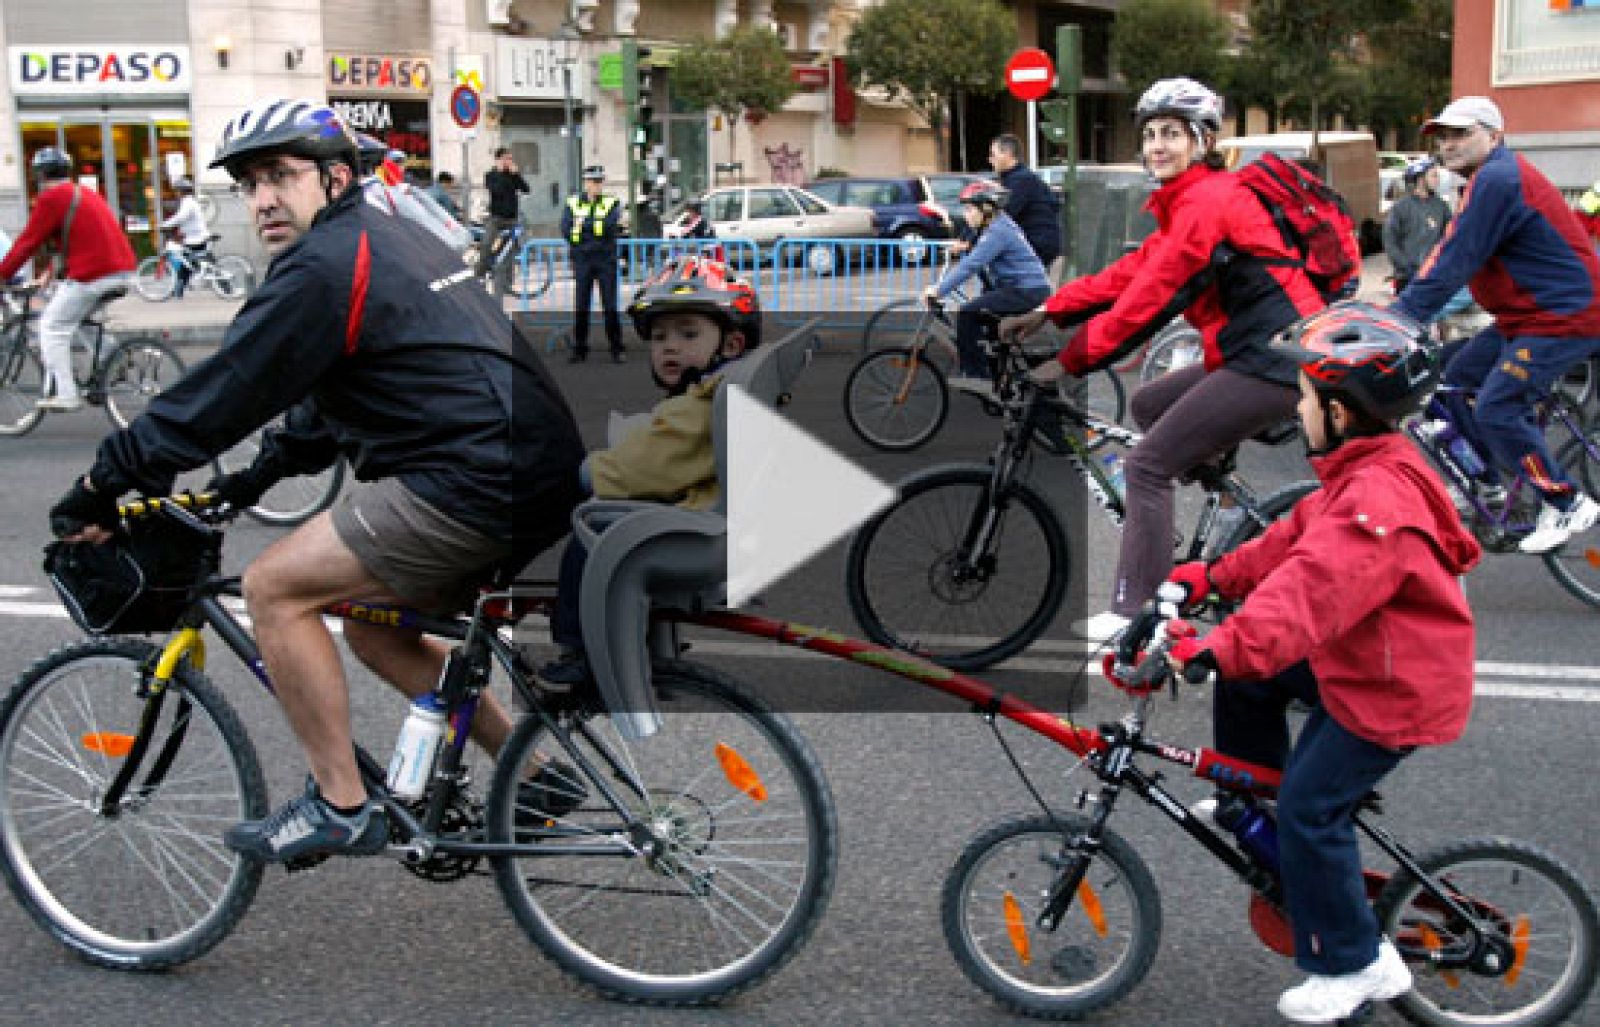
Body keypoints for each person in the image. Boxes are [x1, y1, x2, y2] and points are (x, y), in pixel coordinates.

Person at [46, 98, 587, 864]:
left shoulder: (324, 266)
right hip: (529, 468)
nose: (262, 198)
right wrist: (249, 482)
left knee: (274, 588)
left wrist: (102, 486)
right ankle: (534, 776)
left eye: (279, 175)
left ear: (335, 177)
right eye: (248, 184)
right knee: (371, 623)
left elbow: (222, 393)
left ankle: (339, 803)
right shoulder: (387, 238)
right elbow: (324, 409)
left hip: (473, 478)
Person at [1161, 302, 1481, 1024]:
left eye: (1305, 397)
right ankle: (1251, 793)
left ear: (1339, 412)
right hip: (1367, 659)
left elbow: (1306, 595)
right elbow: (1291, 539)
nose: (1297, 408)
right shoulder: (1365, 466)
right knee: (1251, 681)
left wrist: (1212, 647)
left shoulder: (1374, 504)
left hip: (1390, 691)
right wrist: (1212, 577)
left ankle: (1355, 963)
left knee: (1312, 810)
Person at [1002, 77, 1324, 641]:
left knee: (1147, 467)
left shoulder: (1209, 202)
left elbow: (1152, 297)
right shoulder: (1187, 202)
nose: (1157, 146)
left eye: (1172, 133)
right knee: (1150, 403)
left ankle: (1139, 614)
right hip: (1249, 351)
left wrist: (1070, 360)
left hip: (1275, 358)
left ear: (1203, 141)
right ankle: (1227, 507)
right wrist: (1049, 309)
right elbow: (1130, 273)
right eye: (1150, 134)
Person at [1393, 96, 1600, 554]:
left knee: (1497, 408)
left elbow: (1454, 260)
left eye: (1461, 133)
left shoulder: (1498, 179)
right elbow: (1449, 261)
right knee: (1448, 382)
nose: (1448, 144)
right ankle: (1487, 483)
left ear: (1495, 136)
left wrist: (1399, 319)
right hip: (1524, 317)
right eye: (1442, 137)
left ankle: (1565, 501)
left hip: (1563, 315)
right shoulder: (1485, 180)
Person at [541, 256, 758, 685]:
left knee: (591, 533)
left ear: (732, 344)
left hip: (699, 538)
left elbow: (644, 468)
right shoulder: (719, 389)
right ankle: (640, 644)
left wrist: (587, 473)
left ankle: (583, 652)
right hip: (718, 526)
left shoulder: (701, 404)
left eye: (688, 334)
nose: (669, 347)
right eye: (659, 337)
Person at [0, 147, 136, 412]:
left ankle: (66, 394)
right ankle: (114, 360)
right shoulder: (83, 193)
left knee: (52, 326)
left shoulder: (51, 198)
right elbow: (78, 239)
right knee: (79, 318)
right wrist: (49, 274)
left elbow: (27, 243)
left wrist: (3, 274)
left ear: (39, 175)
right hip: (121, 271)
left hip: (94, 275)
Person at [921, 183, 1051, 394]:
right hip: (1023, 289)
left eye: (970, 209)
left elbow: (971, 265)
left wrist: (938, 290)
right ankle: (1001, 381)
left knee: (968, 313)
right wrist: (966, 248)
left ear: (987, 210)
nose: (966, 215)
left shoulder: (997, 231)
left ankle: (978, 378)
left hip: (1025, 291)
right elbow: (978, 252)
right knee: (988, 330)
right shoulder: (997, 226)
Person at [561, 164, 626, 364]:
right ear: (586, 183)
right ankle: (580, 349)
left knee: (610, 305)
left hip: (605, 259)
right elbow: (566, 229)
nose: (596, 185)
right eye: (593, 181)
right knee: (581, 305)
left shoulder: (611, 202)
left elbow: (609, 227)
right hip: (583, 259)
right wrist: (588, 233)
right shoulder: (572, 203)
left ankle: (616, 348)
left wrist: (583, 227)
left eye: (599, 181)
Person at [988, 133, 1062, 273]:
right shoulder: (1014, 179)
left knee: (1016, 281)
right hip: (1035, 242)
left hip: (1036, 243)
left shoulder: (1021, 180)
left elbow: (1003, 213)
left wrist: (971, 238)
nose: (990, 160)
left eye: (993, 154)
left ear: (1007, 154)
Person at [1382, 157, 1450, 294]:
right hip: (1407, 278)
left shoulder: (1441, 206)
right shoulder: (1401, 207)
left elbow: (1449, 238)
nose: (1437, 180)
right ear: (1420, 179)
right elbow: (1390, 241)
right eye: (1433, 175)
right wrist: (1405, 266)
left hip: (1433, 276)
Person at [479, 146, 529, 282]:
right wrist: (501, 173)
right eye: (507, 158)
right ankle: (480, 274)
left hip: (511, 219)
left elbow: (526, 189)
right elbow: (497, 191)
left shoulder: (512, 175)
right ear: (499, 160)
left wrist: (516, 175)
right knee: (486, 244)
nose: (510, 161)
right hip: (496, 218)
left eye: (511, 159)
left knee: (509, 250)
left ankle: (507, 282)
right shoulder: (490, 175)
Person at [159, 177, 212, 299]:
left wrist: (165, 224)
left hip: (196, 238)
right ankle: (178, 291)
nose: (176, 193)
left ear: (182, 191)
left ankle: (178, 291)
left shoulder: (188, 202)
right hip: (195, 237)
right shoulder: (189, 201)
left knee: (187, 263)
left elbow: (181, 217)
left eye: (177, 191)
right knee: (187, 264)